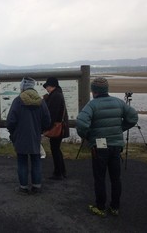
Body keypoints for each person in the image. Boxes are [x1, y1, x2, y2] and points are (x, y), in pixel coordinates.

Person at [76, 77, 138, 217]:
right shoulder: (118, 102)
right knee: (116, 178)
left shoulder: (92, 105)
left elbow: (81, 123)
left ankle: (100, 207)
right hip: (116, 146)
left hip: (99, 147)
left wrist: (88, 136)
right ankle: (115, 207)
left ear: (94, 91)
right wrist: (119, 129)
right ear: (106, 89)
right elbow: (133, 117)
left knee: (100, 178)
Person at [7, 77, 51, 195]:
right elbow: (47, 121)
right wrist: (40, 130)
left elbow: (11, 121)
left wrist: (12, 132)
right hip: (35, 136)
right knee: (36, 160)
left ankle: (23, 187)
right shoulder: (41, 102)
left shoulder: (18, 101)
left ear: (22, 87)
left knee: (22, 161)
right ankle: (36, 186)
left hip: (20, 136)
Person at [43, 77, 68, 180]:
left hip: (57, 127)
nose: (46, 88)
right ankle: (61, 171)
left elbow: (52, 115)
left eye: (47, 86)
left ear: (52, 86)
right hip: (60, 127)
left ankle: (58, 172)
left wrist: (46, 128)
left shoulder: (56, 96)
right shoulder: (57, 94)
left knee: (55, 149)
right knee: (56, 149)